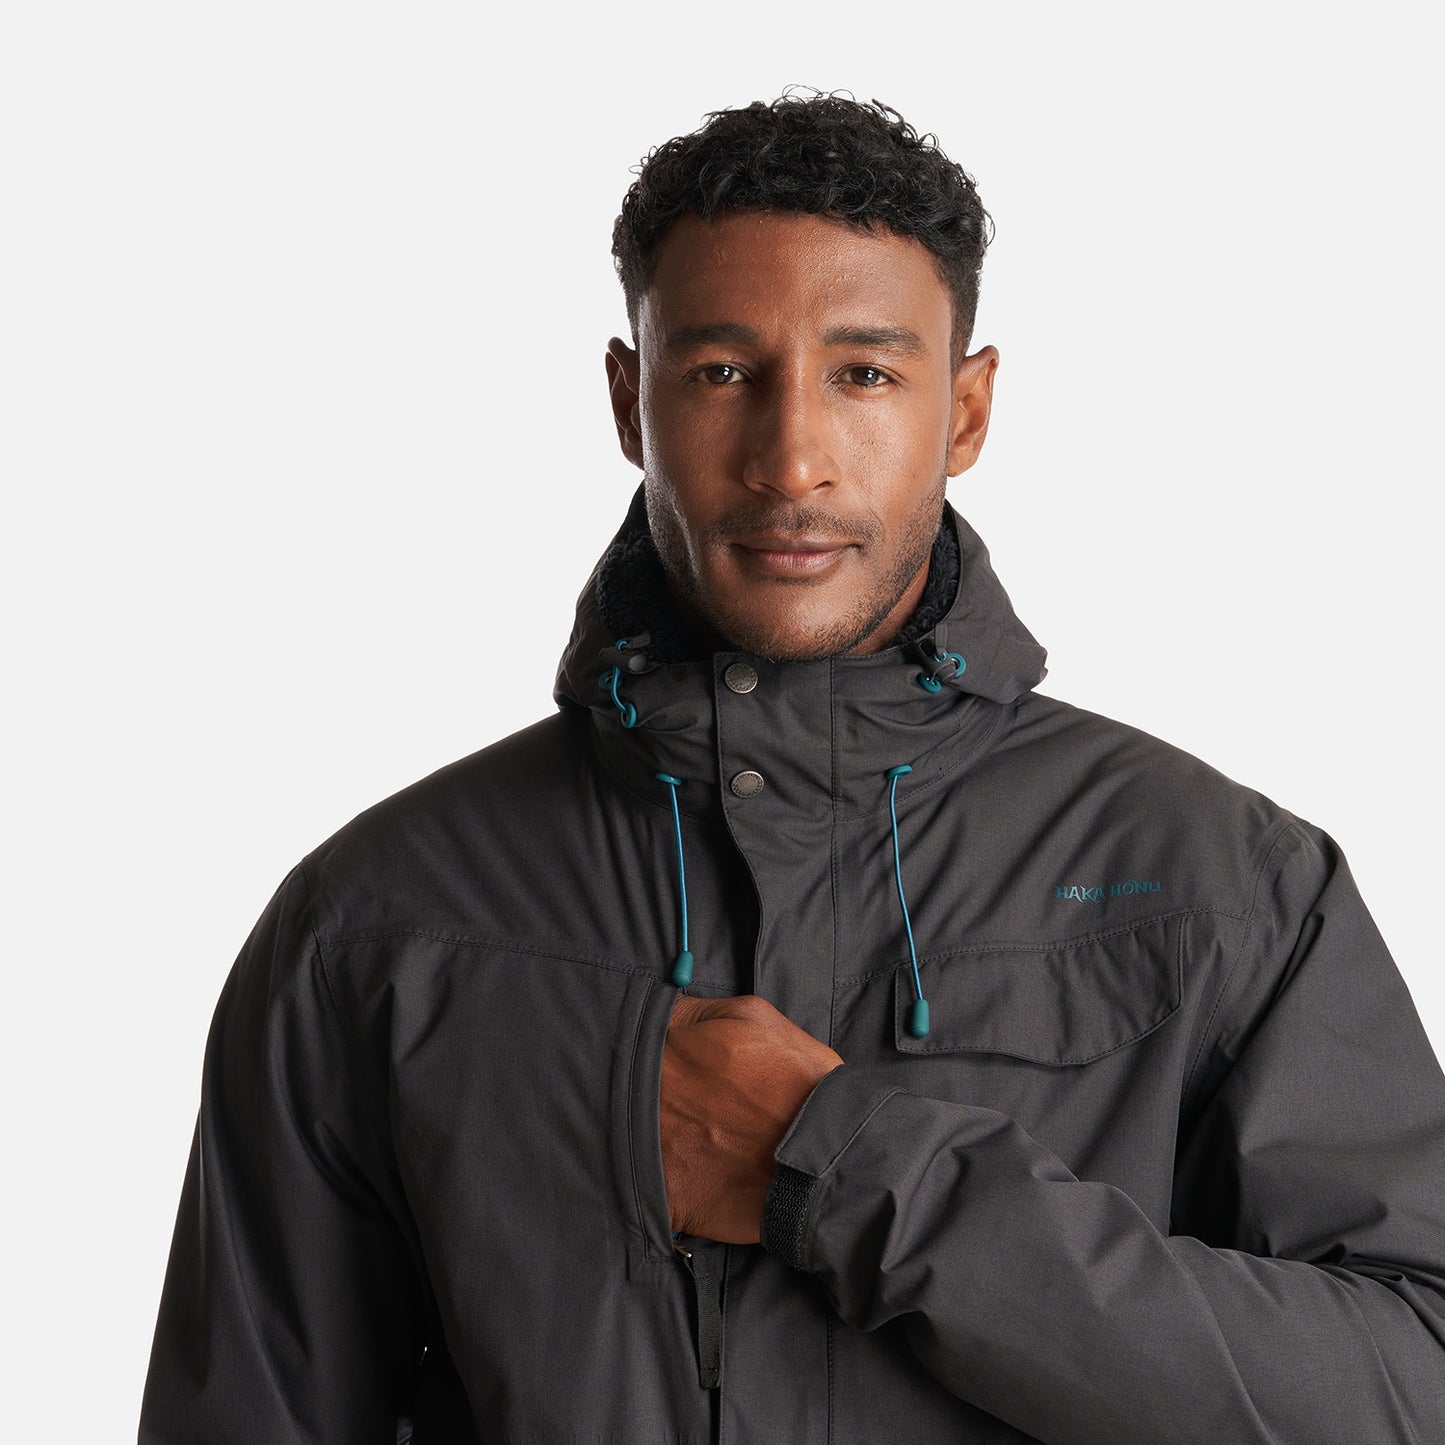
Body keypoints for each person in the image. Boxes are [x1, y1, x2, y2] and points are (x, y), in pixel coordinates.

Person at [140, 93, 1445, 1444]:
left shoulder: (1222, 883)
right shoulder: (377, 924)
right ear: (629, 399)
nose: (792, 461)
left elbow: (1415, 1383)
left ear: (965, 410)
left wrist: (851, 1176)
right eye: (720, 372)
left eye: (864, 374)